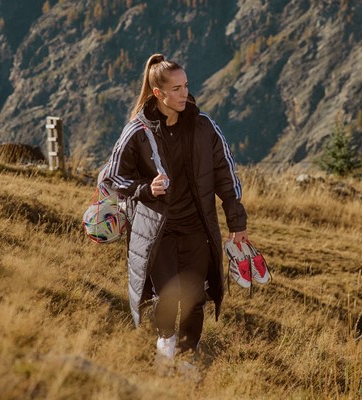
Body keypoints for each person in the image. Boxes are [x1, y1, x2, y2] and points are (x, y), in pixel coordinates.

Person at [104, 53, 248, 367]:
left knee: (195, 298)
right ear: (159, 93)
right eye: (177, 89)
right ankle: (164, 349)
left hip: (197, 227)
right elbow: (111, 177)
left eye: (186, 86)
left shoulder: (204, 126)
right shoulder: (138, 132)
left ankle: (187, 360)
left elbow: (226, 174)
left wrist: (236, 220)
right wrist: (145, 188)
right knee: (166, 297)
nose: (185, 94)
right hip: (158, 230)